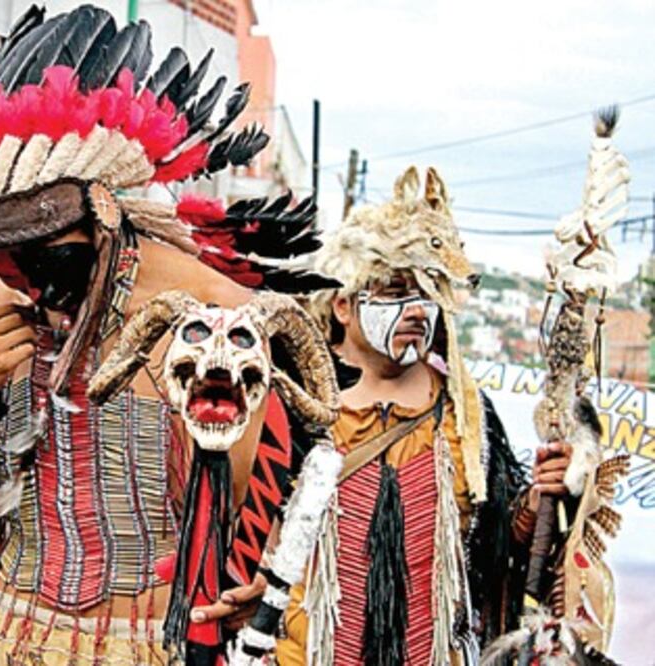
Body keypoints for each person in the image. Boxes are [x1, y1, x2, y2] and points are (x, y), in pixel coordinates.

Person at [0, 5, 328, 664]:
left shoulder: (211, 316)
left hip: (149, 643)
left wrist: (260, 578)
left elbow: (248, 548)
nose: (21, 282)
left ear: (102, 208)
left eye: (38, 252)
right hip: (8, 639)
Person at [201, 167, 573, 665]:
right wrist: (246, 592)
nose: (418, 310)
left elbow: (498, 551)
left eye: (426, 294)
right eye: (396, 293)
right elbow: (233, 528)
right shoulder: (286, 408)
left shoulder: (467, 415)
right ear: (343, 306)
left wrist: (539, 498)